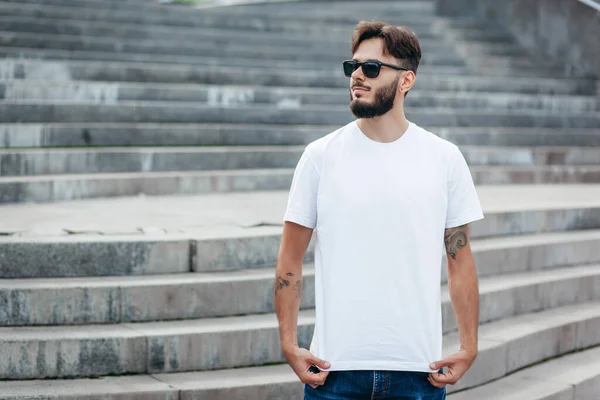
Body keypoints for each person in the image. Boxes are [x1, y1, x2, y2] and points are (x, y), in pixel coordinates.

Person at [274, 20, 484, 399]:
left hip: (418, 374)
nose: (356, 75)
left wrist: (469, 345)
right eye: (352, 66)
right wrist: (289, 342)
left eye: (371, 68)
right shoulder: (320, 157)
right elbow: (290, 256)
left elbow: (460, 260)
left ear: (406, 81)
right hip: (334, 373)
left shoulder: (444, 159)